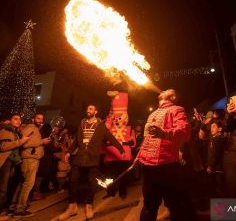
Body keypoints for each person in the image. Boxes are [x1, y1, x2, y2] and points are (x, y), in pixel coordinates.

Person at [59, 104, 125, 221]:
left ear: (96, 111)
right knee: (73, 180)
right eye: (87, 108)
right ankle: (72, 206)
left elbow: (111, 138)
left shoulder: (100, 126)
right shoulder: (82, 123)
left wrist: (121, 149)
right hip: (79, 158)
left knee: (91, 183)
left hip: (93, 159)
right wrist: (69, 152)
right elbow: (76, 141)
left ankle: (89, 205)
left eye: (90, 109)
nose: (88, 110)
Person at [137, 89, 195, 221]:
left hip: (167, 166)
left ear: (173, 96)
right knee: (149, 206)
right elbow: (147, 139)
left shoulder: (177, 110)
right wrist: (139, 156)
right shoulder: (152, 114)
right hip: (148, 167)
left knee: (175, 204)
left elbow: (185, 133)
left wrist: (164, 133)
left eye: (168, 90)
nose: (163, 90)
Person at [0, 113, 30, 221]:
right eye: (15, 119)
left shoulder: (14, 132)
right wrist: (22, 141)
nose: (18, 121)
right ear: (9, 121)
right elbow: (4, 147)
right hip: (2, 163)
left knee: (1, 191)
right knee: (0, 191)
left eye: (20, 119)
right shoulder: (5, 131)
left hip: (7, 163)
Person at [9, 112, 51, 217]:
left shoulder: (35, 129)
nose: (40, 121)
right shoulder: (29, 128)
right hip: (29, 159)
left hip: (31, 159)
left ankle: (13, 206)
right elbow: (25, 143)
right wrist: (42, 142)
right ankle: (19, 209)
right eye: (38, 118)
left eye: (42, 119)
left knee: (23, 183)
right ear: (33, 119)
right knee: (28, 184)